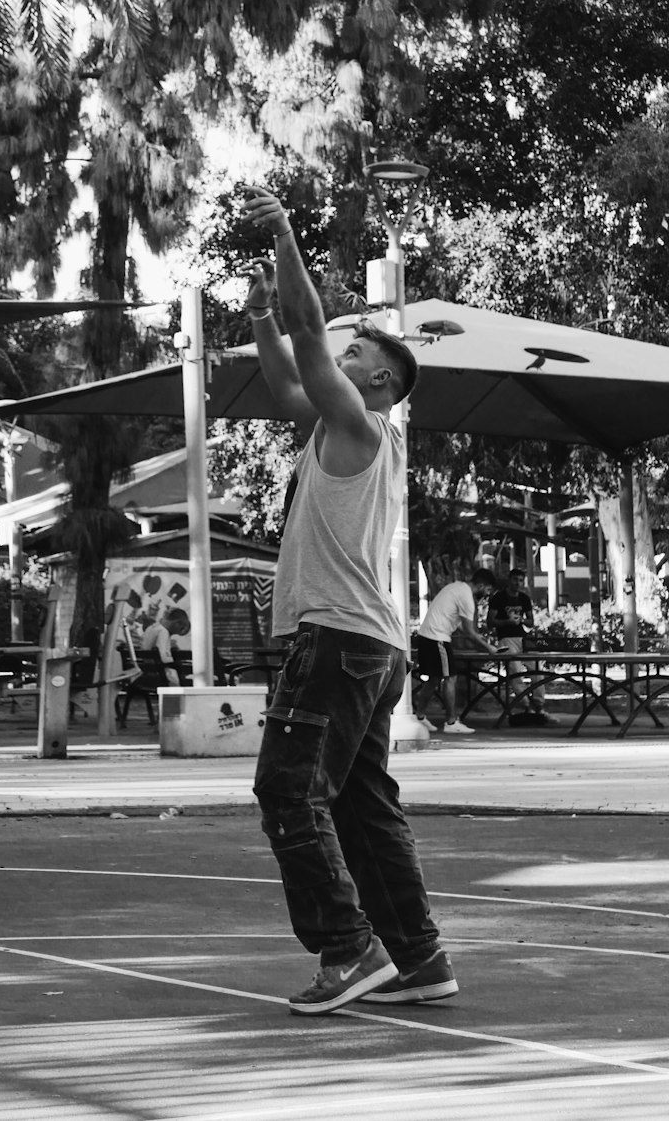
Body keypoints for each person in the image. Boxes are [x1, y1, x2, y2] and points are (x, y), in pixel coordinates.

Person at [240, 184, 457, 1014]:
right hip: (373, 644)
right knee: (363, 808)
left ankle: (347, 947)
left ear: (378, 380)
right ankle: (420, 958)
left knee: (289, 791)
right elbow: (288, 388)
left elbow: (308, 339)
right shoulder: (345, 422)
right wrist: (261, 317)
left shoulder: (366, 423)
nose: (345, 346)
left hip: (336, 640)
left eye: (358, 347)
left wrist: (288, 237)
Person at [413, 568, 497, 732]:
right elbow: (469, 631)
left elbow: (457, 624)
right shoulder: (466, 597)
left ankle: (419, 716)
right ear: (480, 585)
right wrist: (489, 648)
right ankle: (451, 722)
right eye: (487, 590)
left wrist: (479, 642)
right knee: (450, 678)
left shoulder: (457, 587)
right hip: (437, 638)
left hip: (427, 636)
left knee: (434, 679)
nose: (486, 595)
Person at [486, 566, 549, 723]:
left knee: (536, 669)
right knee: (514, 671)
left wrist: (521, 620)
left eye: (521, 580)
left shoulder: (524, 598)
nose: (518, 583)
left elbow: (531, 621)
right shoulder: (498, 598)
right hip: (506, 638)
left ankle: (539, 706)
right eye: (515, 580)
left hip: (523, 638)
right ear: (509, 580)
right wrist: (507, 621)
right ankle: (524, 704)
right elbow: (490, 621)